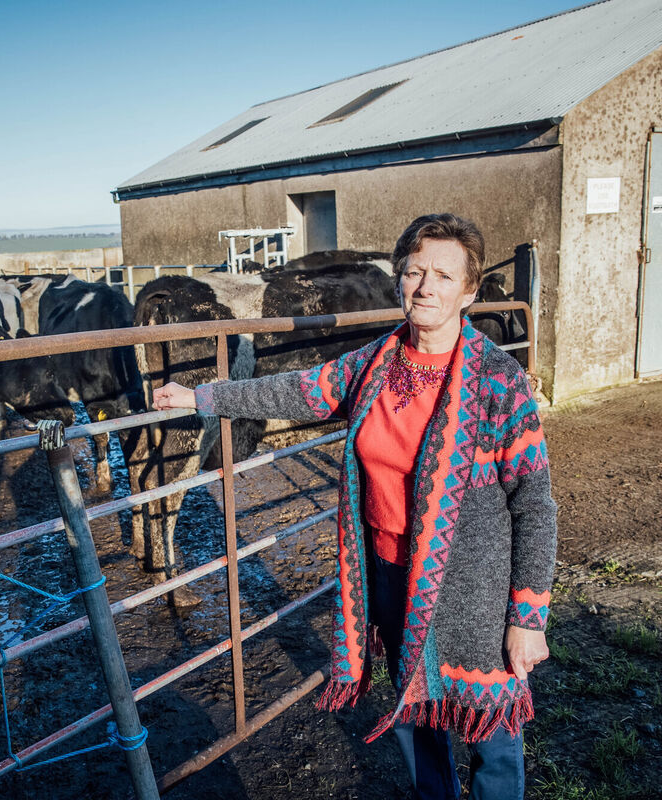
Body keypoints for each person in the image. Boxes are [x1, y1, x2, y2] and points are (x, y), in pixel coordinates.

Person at [152, 213, 556, 799]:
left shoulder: (500, 382)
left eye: (444, 275)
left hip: (476, 590)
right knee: (417, 719)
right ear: (398, 280)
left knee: (492, 738)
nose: (425, 287)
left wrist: (527, 616)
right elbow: (297, 389)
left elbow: (535, 505)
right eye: (415, 271)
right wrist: (204, 396)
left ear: (469, 291)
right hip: (389, 578)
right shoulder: (376, 362)